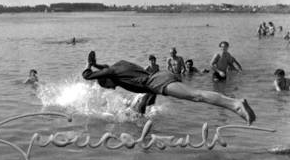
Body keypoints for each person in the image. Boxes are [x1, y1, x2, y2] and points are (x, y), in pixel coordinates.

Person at [82, 51, 256, 125]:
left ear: (108, 80)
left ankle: (235, 104)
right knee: (143, 106)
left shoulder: (112, 74)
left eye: (110, 87)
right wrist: (97, 64)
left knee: (197, 96)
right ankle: (235, 104)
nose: (113, 89)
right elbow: (107, 67)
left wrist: (90, 65)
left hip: (155, 83)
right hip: (158, 78)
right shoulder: (118, 65)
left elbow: (86, 76)